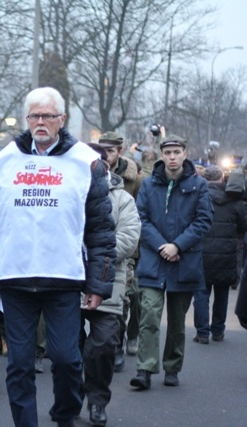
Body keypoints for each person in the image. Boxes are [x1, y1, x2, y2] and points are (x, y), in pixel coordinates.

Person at [0, 87, 116, 427]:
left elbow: (102, 229)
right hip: (14, 278)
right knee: (18, 364)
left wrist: (99, 283)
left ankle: (64, 414)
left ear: (62, 119)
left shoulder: (85, 161)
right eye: (34, 116)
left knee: (66, 360)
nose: (41, 122)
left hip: (63, 278)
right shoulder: (3, 162)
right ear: (27, 119)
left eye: (47, 115)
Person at [130, 134, 213, 391]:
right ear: (162, 155)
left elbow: (203, 221)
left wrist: (177, 245)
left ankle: (172, 366)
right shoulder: (149, 184)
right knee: (149, 317)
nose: (172, 157)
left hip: (183, 261)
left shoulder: (198, 185)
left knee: (177, 322)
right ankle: (145, 369)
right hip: (154, 260)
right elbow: (141, 218)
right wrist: (161, 246)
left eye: (177, 152)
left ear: (184, 153)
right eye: (168, 153)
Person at [80, 143, 140, 426]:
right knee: (67, 349)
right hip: (69, 281)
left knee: (102, 344)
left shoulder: (122, 199)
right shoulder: (69, 192)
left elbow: (128, 238)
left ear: (105, 166)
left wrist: (94, 250)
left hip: (108, 280)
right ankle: (71, 395)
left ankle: (97, 400)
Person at [98, 131, 144, 367]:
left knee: (128, 297)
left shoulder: (134, 178)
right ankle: (114, 344)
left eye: (111, 150)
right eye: (102, 149)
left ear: (120, 151)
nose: (106, 155)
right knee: (110, 299)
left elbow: (140, 212)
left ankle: (126, 338)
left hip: (128, 246)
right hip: (99, 247)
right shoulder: (92, 171)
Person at [193, 166, 247, 343]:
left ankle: (202, 332)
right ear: (223, 178)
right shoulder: (235, 201)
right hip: (226, 255)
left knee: (201, 294)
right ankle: (218, 331)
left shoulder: (197, 197)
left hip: (202, 254)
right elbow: (243, 228)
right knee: (222, 294)